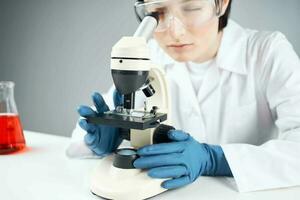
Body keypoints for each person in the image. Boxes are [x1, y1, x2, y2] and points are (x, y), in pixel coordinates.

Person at [67, 0, 300, 192]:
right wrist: (97, 144)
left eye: (191, 8)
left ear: (221, 4)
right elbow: (78, 140)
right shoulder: (148, 58)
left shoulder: (267, 52)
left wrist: (216, 159)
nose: (174, 32)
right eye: (158, 13)